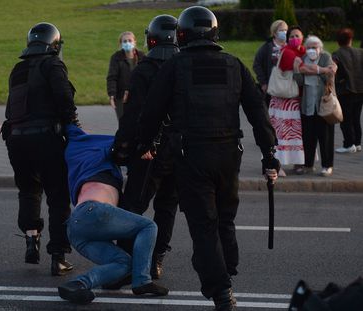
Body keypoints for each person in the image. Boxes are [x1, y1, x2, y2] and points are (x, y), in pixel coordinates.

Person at [137, 6, 280, 311]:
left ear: (183, 34)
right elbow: (258, 112)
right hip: (229, 154)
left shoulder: (175, 66)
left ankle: (221, 289)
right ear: (215, 33)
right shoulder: (233, 64)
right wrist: (269, 156)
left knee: (204, 225)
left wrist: (143, 144)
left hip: (191, 155)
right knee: (224, 218)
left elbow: (151, 112)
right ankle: (225, 268)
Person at [57, 124, 169, 304]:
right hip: (95, 211)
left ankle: (77, 284)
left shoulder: (74, 151)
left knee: (123, 263)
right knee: (148, 227)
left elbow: (70, 128)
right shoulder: (101, 148)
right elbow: (124, 145)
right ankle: (142, 281)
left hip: (76, 229)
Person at [1, 22, 77, 276]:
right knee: (57, 196)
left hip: (17, 139)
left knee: (29, 190)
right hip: (46, 138)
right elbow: (64, 97)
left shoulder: (18, 69)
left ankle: (31, 240)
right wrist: (73, 125)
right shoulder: (53, 65)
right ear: (54, 44)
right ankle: (58, 256)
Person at [112, 14, 180, 280]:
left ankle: (125, 262)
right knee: (167, 206)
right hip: (179, 151)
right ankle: (156, 259)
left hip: (148, 150)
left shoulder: (145, 69)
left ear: (151, 39)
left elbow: (132, 115)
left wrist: (121, 147)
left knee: (132, 206)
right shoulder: (185, 66)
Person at [293, 35, 337, 177]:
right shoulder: (303, 58)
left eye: (315, 47)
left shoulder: (326, 57)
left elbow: (330, 79)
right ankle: (308, 164)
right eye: (309, 47)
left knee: (326, 138)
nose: (312, 50)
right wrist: (297, 69)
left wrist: (318, 70)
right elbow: (299, 81)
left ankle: (327, 165)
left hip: (323, 106)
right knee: (308, 137)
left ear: (320, 48)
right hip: (308, 106)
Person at [268, 25, 306, 176]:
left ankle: (298, 163)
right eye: (292, 36)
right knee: (282, 135)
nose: (295, 39)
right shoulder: (288, 53)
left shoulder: (301, 51)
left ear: (303, 38)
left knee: (295, 135)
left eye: (298, 36)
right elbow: (304, 69)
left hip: (293, 102)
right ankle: (277, 164)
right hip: (284, 102)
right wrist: (322, 69)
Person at [332, 28, 363, 153]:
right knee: (356, 117)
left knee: (346, 119)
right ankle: (357, 143)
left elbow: (333, 72)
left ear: (338, 41)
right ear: (351, 39)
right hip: (360, 90)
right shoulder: (361, 52)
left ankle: (348, 144)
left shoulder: (336, 54)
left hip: (345, 91)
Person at [106, 31, 145, 120]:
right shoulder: (116, 57)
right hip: (121, 97)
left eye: (130, 40)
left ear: (135, 42)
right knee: (124, 122)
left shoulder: (141, 57)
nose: (127, 43)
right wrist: (112, 94)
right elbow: (112, 77)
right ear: (121, 44)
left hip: (138, 96)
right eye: (125, 41)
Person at [253, 19, 288, 106]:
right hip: (271, 86)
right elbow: (256, 64)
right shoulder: (267, 47)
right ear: (274, 32)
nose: (284, 32)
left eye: (285, 30)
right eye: (281, 30)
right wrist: (263, 83)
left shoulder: (289, 46)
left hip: (287, 85)